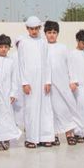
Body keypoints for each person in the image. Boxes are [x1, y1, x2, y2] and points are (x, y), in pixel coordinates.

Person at [17, 16, 54, 149]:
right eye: (31, 29)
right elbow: (21, 64)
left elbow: (47, 62)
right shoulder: (23, 43)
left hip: (43, 81)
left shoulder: (43, 42)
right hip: (30, 82)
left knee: (45, 109)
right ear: (27, 29)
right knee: (31, 109)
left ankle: (45, 137)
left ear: (39, 28)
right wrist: (24, 82)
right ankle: (31, 138)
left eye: (36, 28)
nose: (34, 31)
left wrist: (48, 81)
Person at [44, 20, 82, 146]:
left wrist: (73, 81)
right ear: (45, 33)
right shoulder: (42, 47)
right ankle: (53, 135)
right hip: (48, 85)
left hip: (63, 83)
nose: (51, 35)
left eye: (54, 32)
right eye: (49, 32)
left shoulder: (63, 48)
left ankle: (69, 134)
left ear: (57, 34)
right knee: (51, 110)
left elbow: (70, 65)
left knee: (66, 108)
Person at [0, 34, 21, 151]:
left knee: (8, 116)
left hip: (8, 93)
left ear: (9, 48)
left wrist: (13, 93)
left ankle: (7, 139)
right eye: (1, 47)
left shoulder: (11, 61)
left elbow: (15, 79)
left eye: (5, 47)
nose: (3, 49)